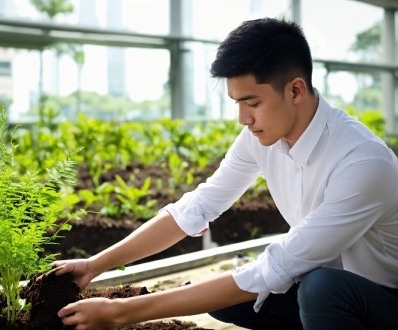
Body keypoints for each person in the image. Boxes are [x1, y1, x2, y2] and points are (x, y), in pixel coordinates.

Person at [48, 18, 398, 330]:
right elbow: (198, 207)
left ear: (295, 90)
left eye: (253, 103)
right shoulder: (260, 138)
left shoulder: (362, 162)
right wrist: (96, 265)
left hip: (385, 299)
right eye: (237, 104)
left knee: (321, 289)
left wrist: (119, 312)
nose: (243, 119)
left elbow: (276, 267)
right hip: (321, 283)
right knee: (230, 301)